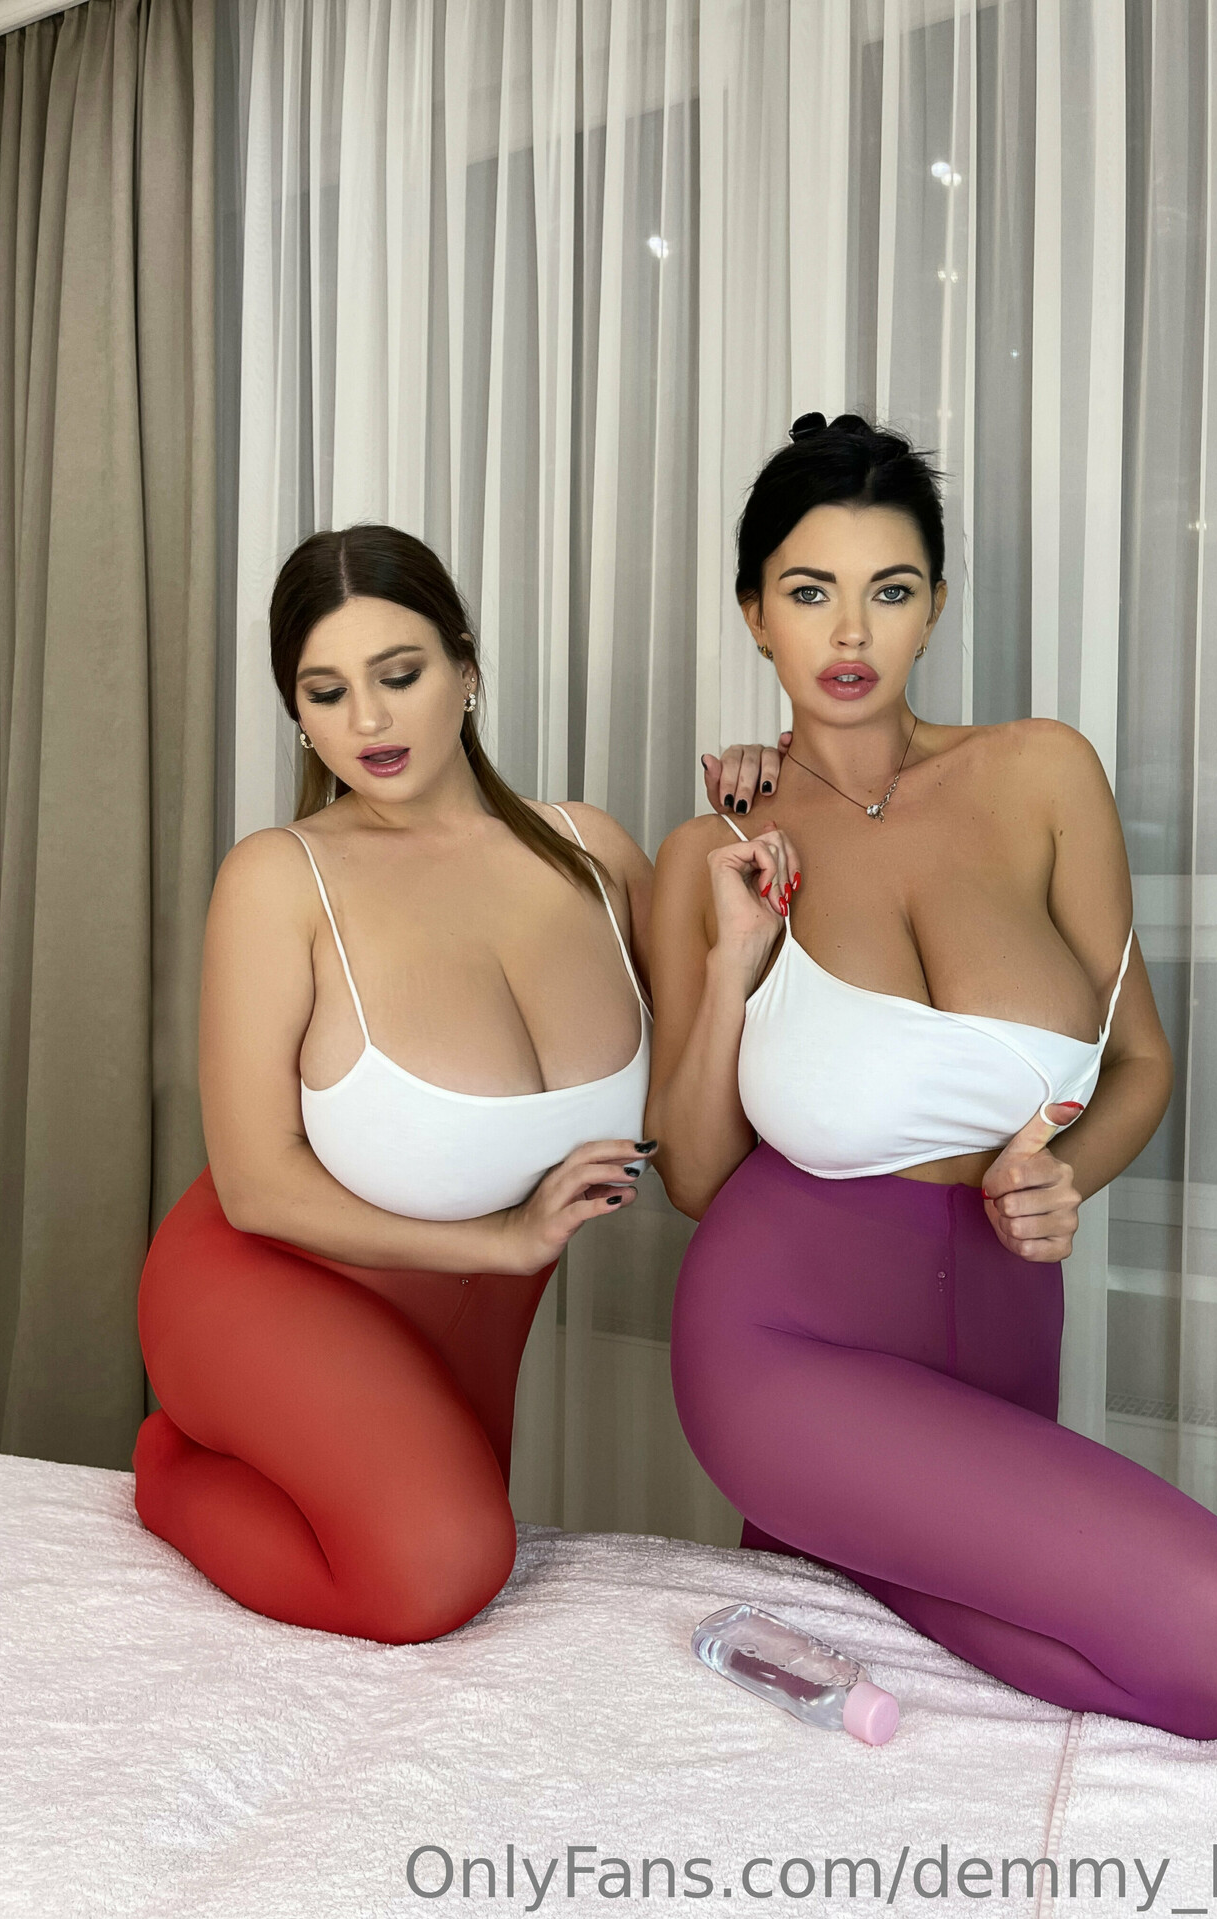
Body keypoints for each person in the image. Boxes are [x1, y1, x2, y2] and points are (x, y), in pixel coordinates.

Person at [644, 411, 1217, 1741]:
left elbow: (1140, 1061)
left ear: (936, 607)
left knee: (1103, 1655)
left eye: (889, 592)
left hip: (999, 1354)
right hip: (782, 1351)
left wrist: (1068, 1175)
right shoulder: (713, 851)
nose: (850, 633)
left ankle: (819, 1566)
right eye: (809, 593)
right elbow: (699, 1179)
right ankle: (814, 1537)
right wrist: (732, 962)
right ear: (754, 615)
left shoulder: (1043, 774)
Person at [133, 522, 787, 1644]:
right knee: (438, 1569)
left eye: (400, 674)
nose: (369, 721)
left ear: (467, 669)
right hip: (262, 1292)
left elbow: (693, 1140)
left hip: (464, 1339)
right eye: (327, 692)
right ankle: (167, 1466)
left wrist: (749, 907)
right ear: (299, 713)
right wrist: (503, 1240)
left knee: (457, 1550)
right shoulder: (281, 878)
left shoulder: (592, 853)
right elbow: (254, 1188)